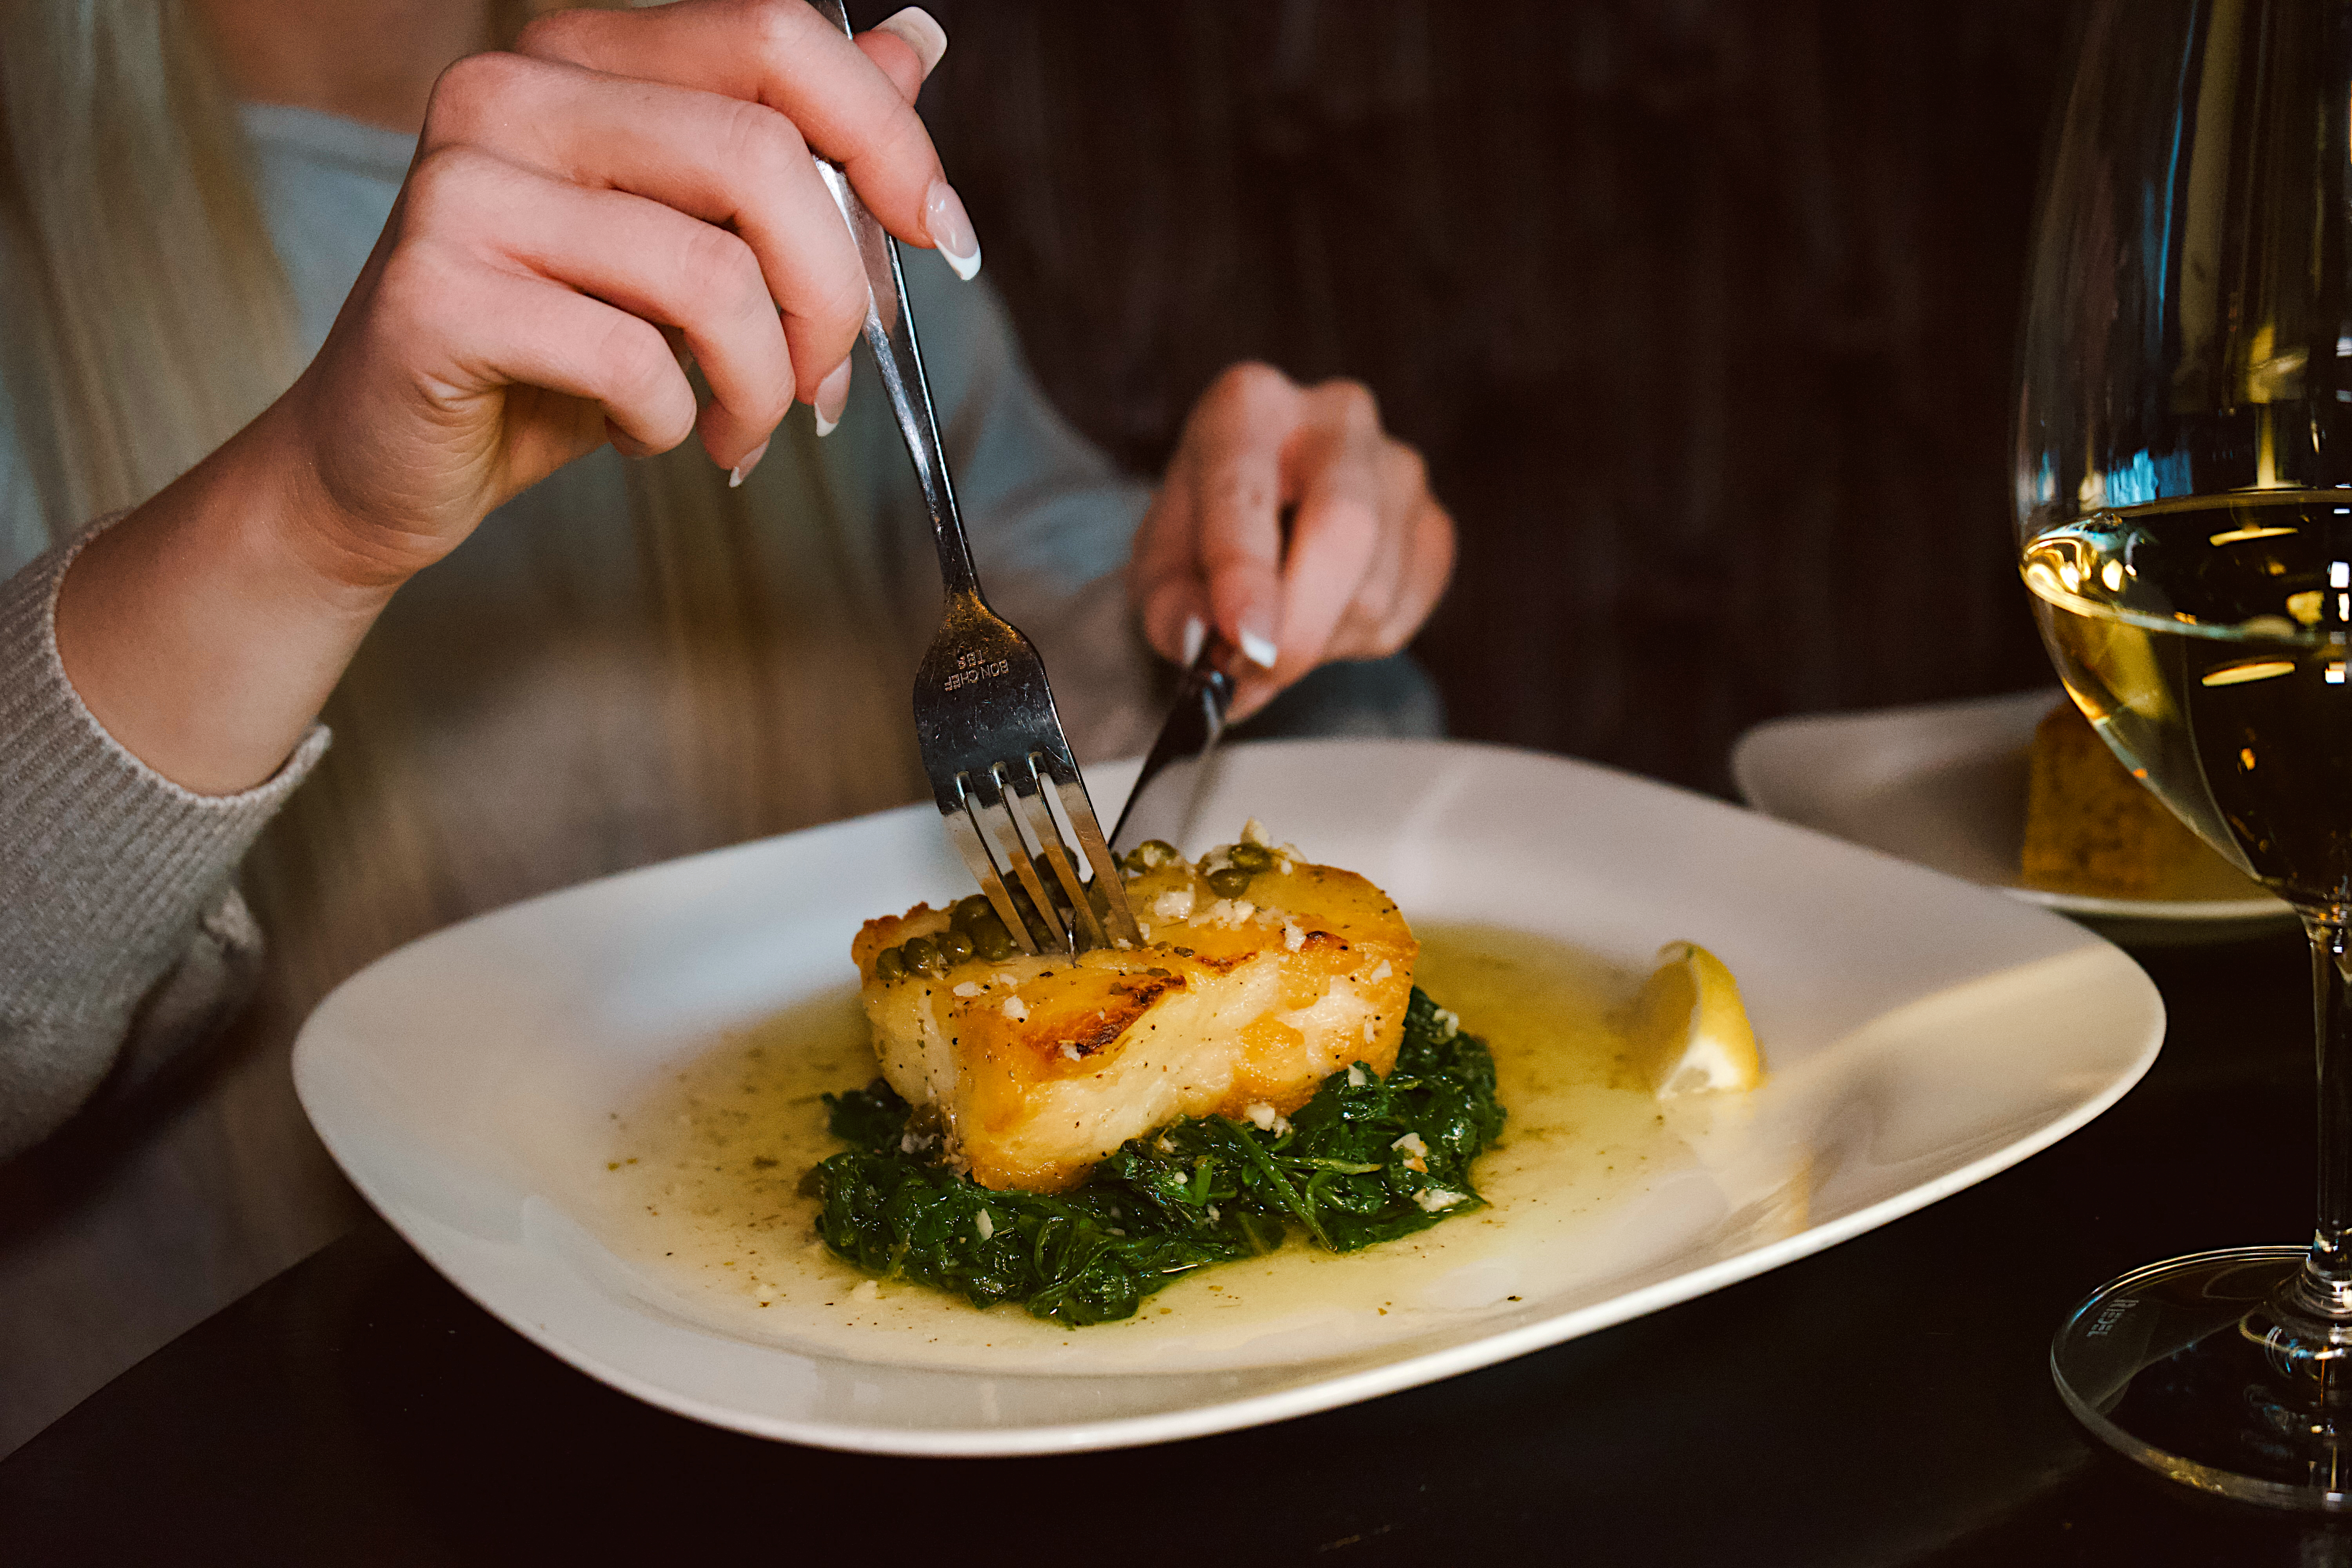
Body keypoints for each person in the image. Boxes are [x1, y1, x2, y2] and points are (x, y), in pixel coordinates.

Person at [0, 0, 1453, 1452]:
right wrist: (306, 521)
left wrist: (1236, 578)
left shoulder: (775, 106)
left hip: (911, 1431)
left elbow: (1046, 604)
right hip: (254, 1463)